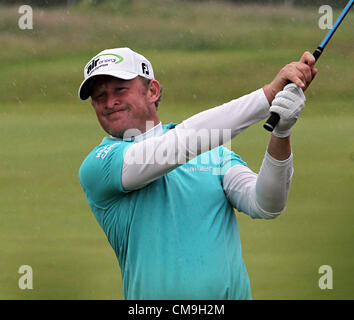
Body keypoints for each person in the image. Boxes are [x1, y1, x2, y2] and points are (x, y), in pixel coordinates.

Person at [78, 47, 317, 299]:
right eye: (99, 95)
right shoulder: (99, 165)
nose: (108, 102)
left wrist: (281, 132)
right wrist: (268, 95)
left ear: (152, 91)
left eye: (119, 89)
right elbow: (179, 144)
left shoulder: (213, 154)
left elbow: (267, 204)